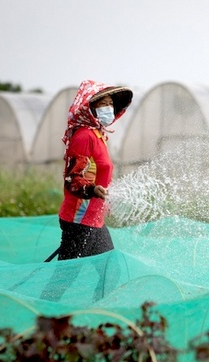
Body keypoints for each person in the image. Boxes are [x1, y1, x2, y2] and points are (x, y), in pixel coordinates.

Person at [54, 79, 133, 260]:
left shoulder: (98, 135)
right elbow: (72, 179)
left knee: (108, 269)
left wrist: (106, 200)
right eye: (103, 104)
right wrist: (92, 189)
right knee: (65, 276)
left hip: (95, 218)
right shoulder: (83, 136)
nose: (108, 108)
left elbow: (101, 173)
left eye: (111, 104)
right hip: (79, 220)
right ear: (91, 108)